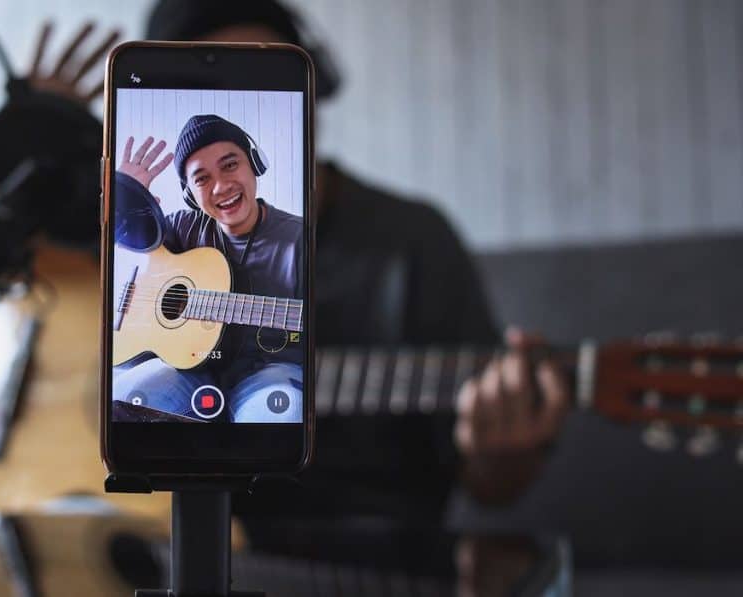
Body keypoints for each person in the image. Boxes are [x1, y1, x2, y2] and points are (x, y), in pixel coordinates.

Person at [143, 0, 570, 540]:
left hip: (372, 558)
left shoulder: (413, 239)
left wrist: (504, 451)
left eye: (264, 87)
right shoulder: (157, 242)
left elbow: (492, 489)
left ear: (311, 94)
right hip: (180, 544)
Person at [111, 114, 305, 423]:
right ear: (190, 193)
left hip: (268, 374)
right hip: (186, 370)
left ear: (254, 164)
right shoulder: (180, 227)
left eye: (230, 165)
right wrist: (122, 198)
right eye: (202, 178)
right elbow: (123, 244)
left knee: (284, 414)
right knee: (121, 400)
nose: (221, 187)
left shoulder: (301, 239)